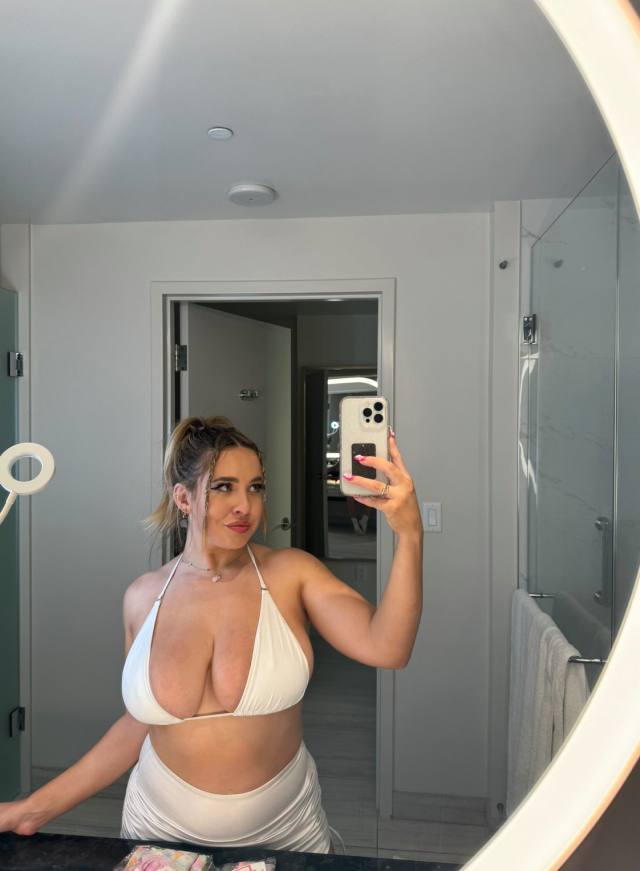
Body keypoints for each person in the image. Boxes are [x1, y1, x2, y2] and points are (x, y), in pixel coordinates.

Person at [0, 416, 423, 853]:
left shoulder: (291, 574)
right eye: (224, 487)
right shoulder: (142, 597)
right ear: (183, 498)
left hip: (286, 830)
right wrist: (34, 809)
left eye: (255, 487)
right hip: (157, 828)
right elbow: (138, 725)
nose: (245, 505)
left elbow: (388, 648)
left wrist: (409, 534)